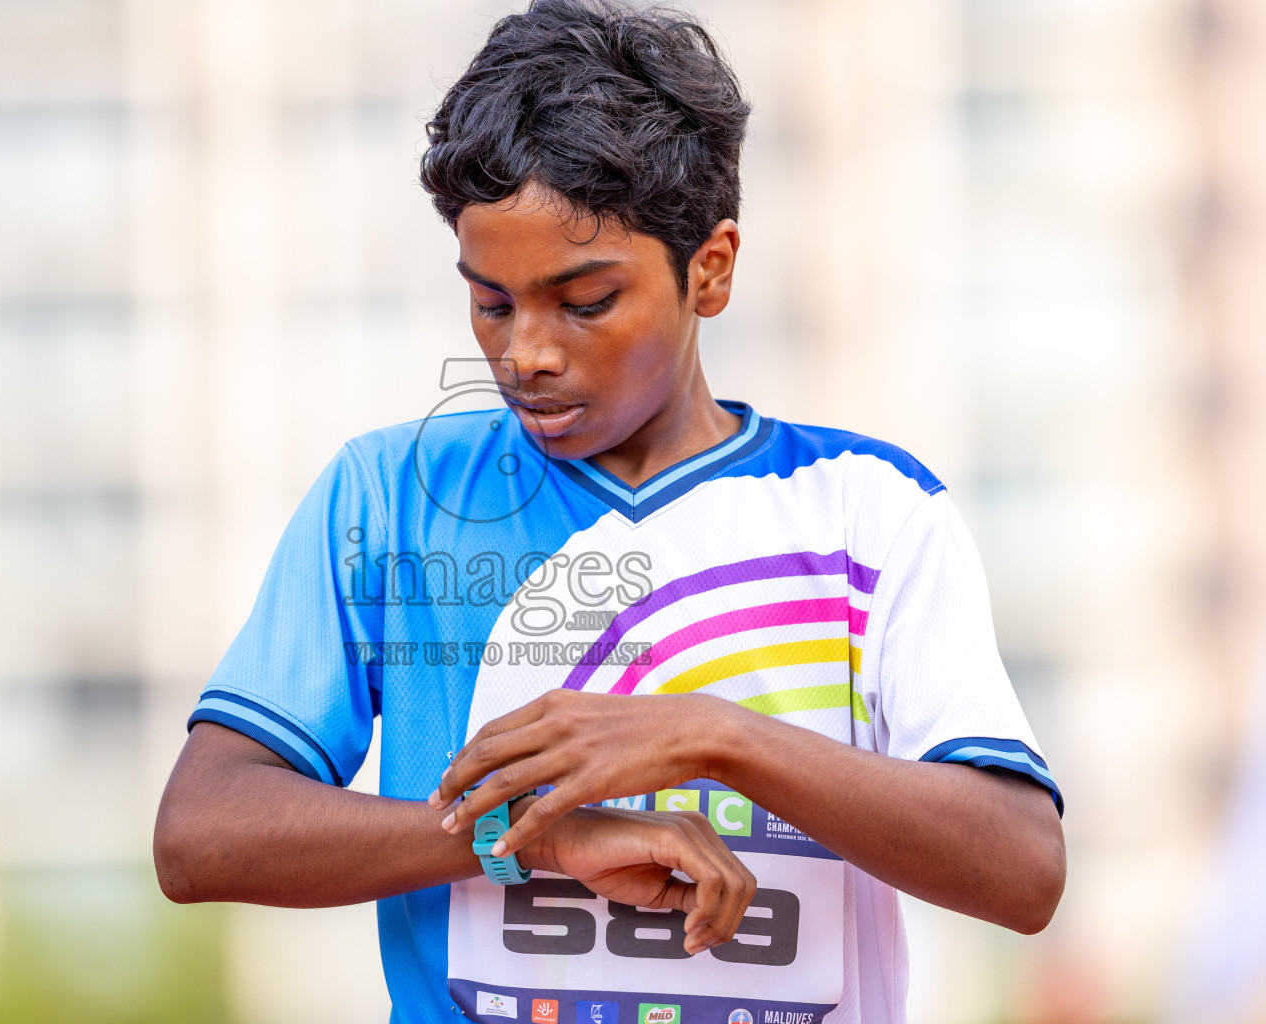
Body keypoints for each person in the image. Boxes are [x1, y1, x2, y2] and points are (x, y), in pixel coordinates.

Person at [154, 2, 1066, 1021]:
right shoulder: (391, 498)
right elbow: (200, 834)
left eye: (584, 301)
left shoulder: (874, 515)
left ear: (709, 269)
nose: (526, 352)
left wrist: (714, 737)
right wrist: (519, 834)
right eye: (492, 302)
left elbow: (1022, 870)